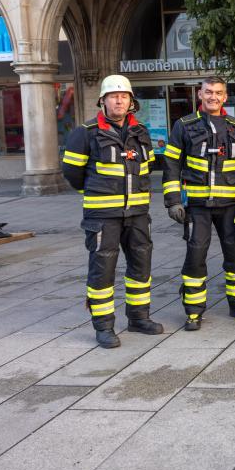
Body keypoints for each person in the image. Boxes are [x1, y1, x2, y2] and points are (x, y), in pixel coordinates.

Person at [61, 75, 163, 349]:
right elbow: (72, 172)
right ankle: (104, 326)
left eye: (124, 96)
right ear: (103, 100)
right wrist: (96, 193)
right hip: (102, 216)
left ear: (131, 102)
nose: (119, 100)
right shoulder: (86, 132)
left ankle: (139, 317)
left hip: (138, 214)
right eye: (113, 96)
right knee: (102, 271)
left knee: (141, 267)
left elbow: (148, 166)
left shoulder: (140, 132)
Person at [162, 77, 235, 331]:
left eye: (218, 93)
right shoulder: (184, 126)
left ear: (225, 97)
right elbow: (171, 164)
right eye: (208, 92)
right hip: (197, 207)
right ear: (200, 94)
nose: (213, 97)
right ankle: (194, 311)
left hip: (230, 206)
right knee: (195, 256)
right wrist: (173, 201)